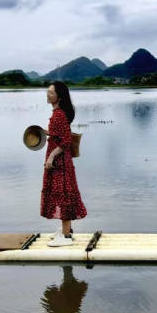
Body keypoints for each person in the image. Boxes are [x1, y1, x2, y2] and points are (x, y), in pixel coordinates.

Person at [41, 81, 87, 246]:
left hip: (60, 162)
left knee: (63, 195)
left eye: (51, 92)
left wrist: (51, 157)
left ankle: (66, 236)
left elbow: (66, 140)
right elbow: (59, 134)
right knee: (61, 193)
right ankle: (67, 231)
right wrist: (46, 132)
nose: (48, 94)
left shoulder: (59, 114)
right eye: (48, 91)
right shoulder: (57, 113)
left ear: (59, 96)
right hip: (59, 161)